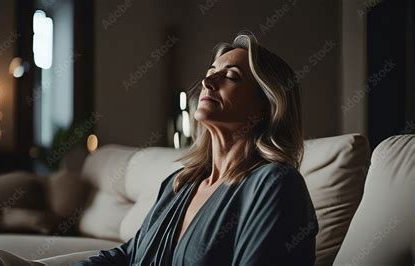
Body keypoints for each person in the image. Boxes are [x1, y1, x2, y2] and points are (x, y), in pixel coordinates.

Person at [73, 31, 318, 266]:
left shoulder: (276, 185)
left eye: (231, 76)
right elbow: (129, 255)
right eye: (210, 72)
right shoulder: (178, 184)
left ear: (266, 106)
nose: (207, 81)